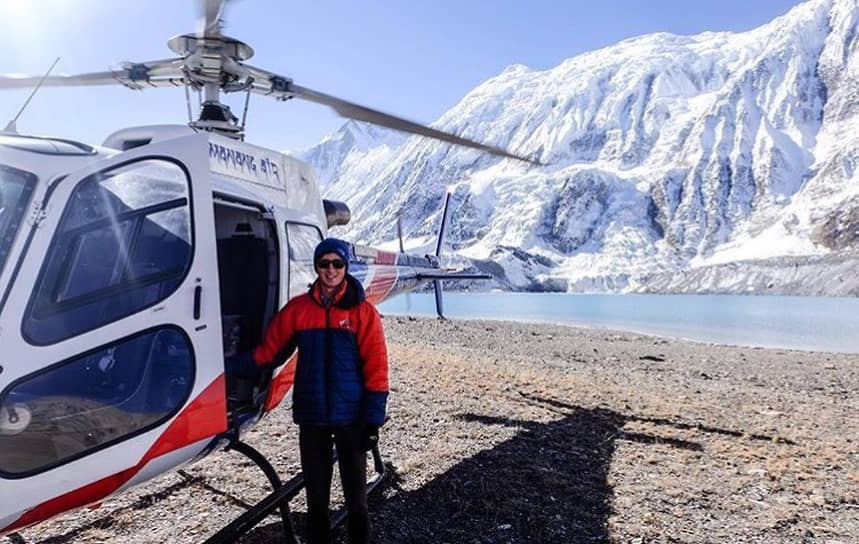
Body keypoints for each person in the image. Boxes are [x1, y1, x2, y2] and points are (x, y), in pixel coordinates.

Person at [253, 237, 388, 544]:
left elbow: (377, 367)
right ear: (316, 267)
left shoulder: (363, 313)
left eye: (337, 264)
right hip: (312, 416)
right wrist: (229, 366)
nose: (330, 270)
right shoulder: (298, 310)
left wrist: (373, 419)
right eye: (324, 264)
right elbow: (269, 351)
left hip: (351, 417)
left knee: (356, 499)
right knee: (316, 500)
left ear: (345, 267)